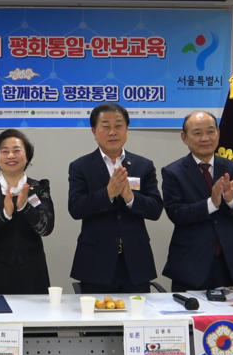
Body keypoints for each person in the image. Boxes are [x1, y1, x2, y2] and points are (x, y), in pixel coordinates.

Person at [68, 102, 164, 294]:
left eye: (118, 125)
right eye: (106, 126)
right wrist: (108, 193)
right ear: (94, 131)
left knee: (139, 313)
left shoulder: (144, 165)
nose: (113, 132)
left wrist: (129, 197)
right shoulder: (81, 166)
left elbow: (155, 209)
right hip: (95, 262)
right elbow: (76, 208)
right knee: (97, 313)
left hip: (136, 262)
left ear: (126, 129)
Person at [161, 112, 233, 292]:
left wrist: (231, 199)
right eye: (197, 133)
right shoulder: (173, 172)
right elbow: (176, 214)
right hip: (191, 264)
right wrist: (211, 203)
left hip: (231, 262)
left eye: (211, 131)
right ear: (185, 137)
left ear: (218, 134)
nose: (205, 138)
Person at [0, 129, 54, 294]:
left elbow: (46, 228)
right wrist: (4, 214)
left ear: (27, 157)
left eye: (17, 151)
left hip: (31, 270)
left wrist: (24, 208)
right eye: (5, 151)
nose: (11, 156)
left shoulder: (39, 188)